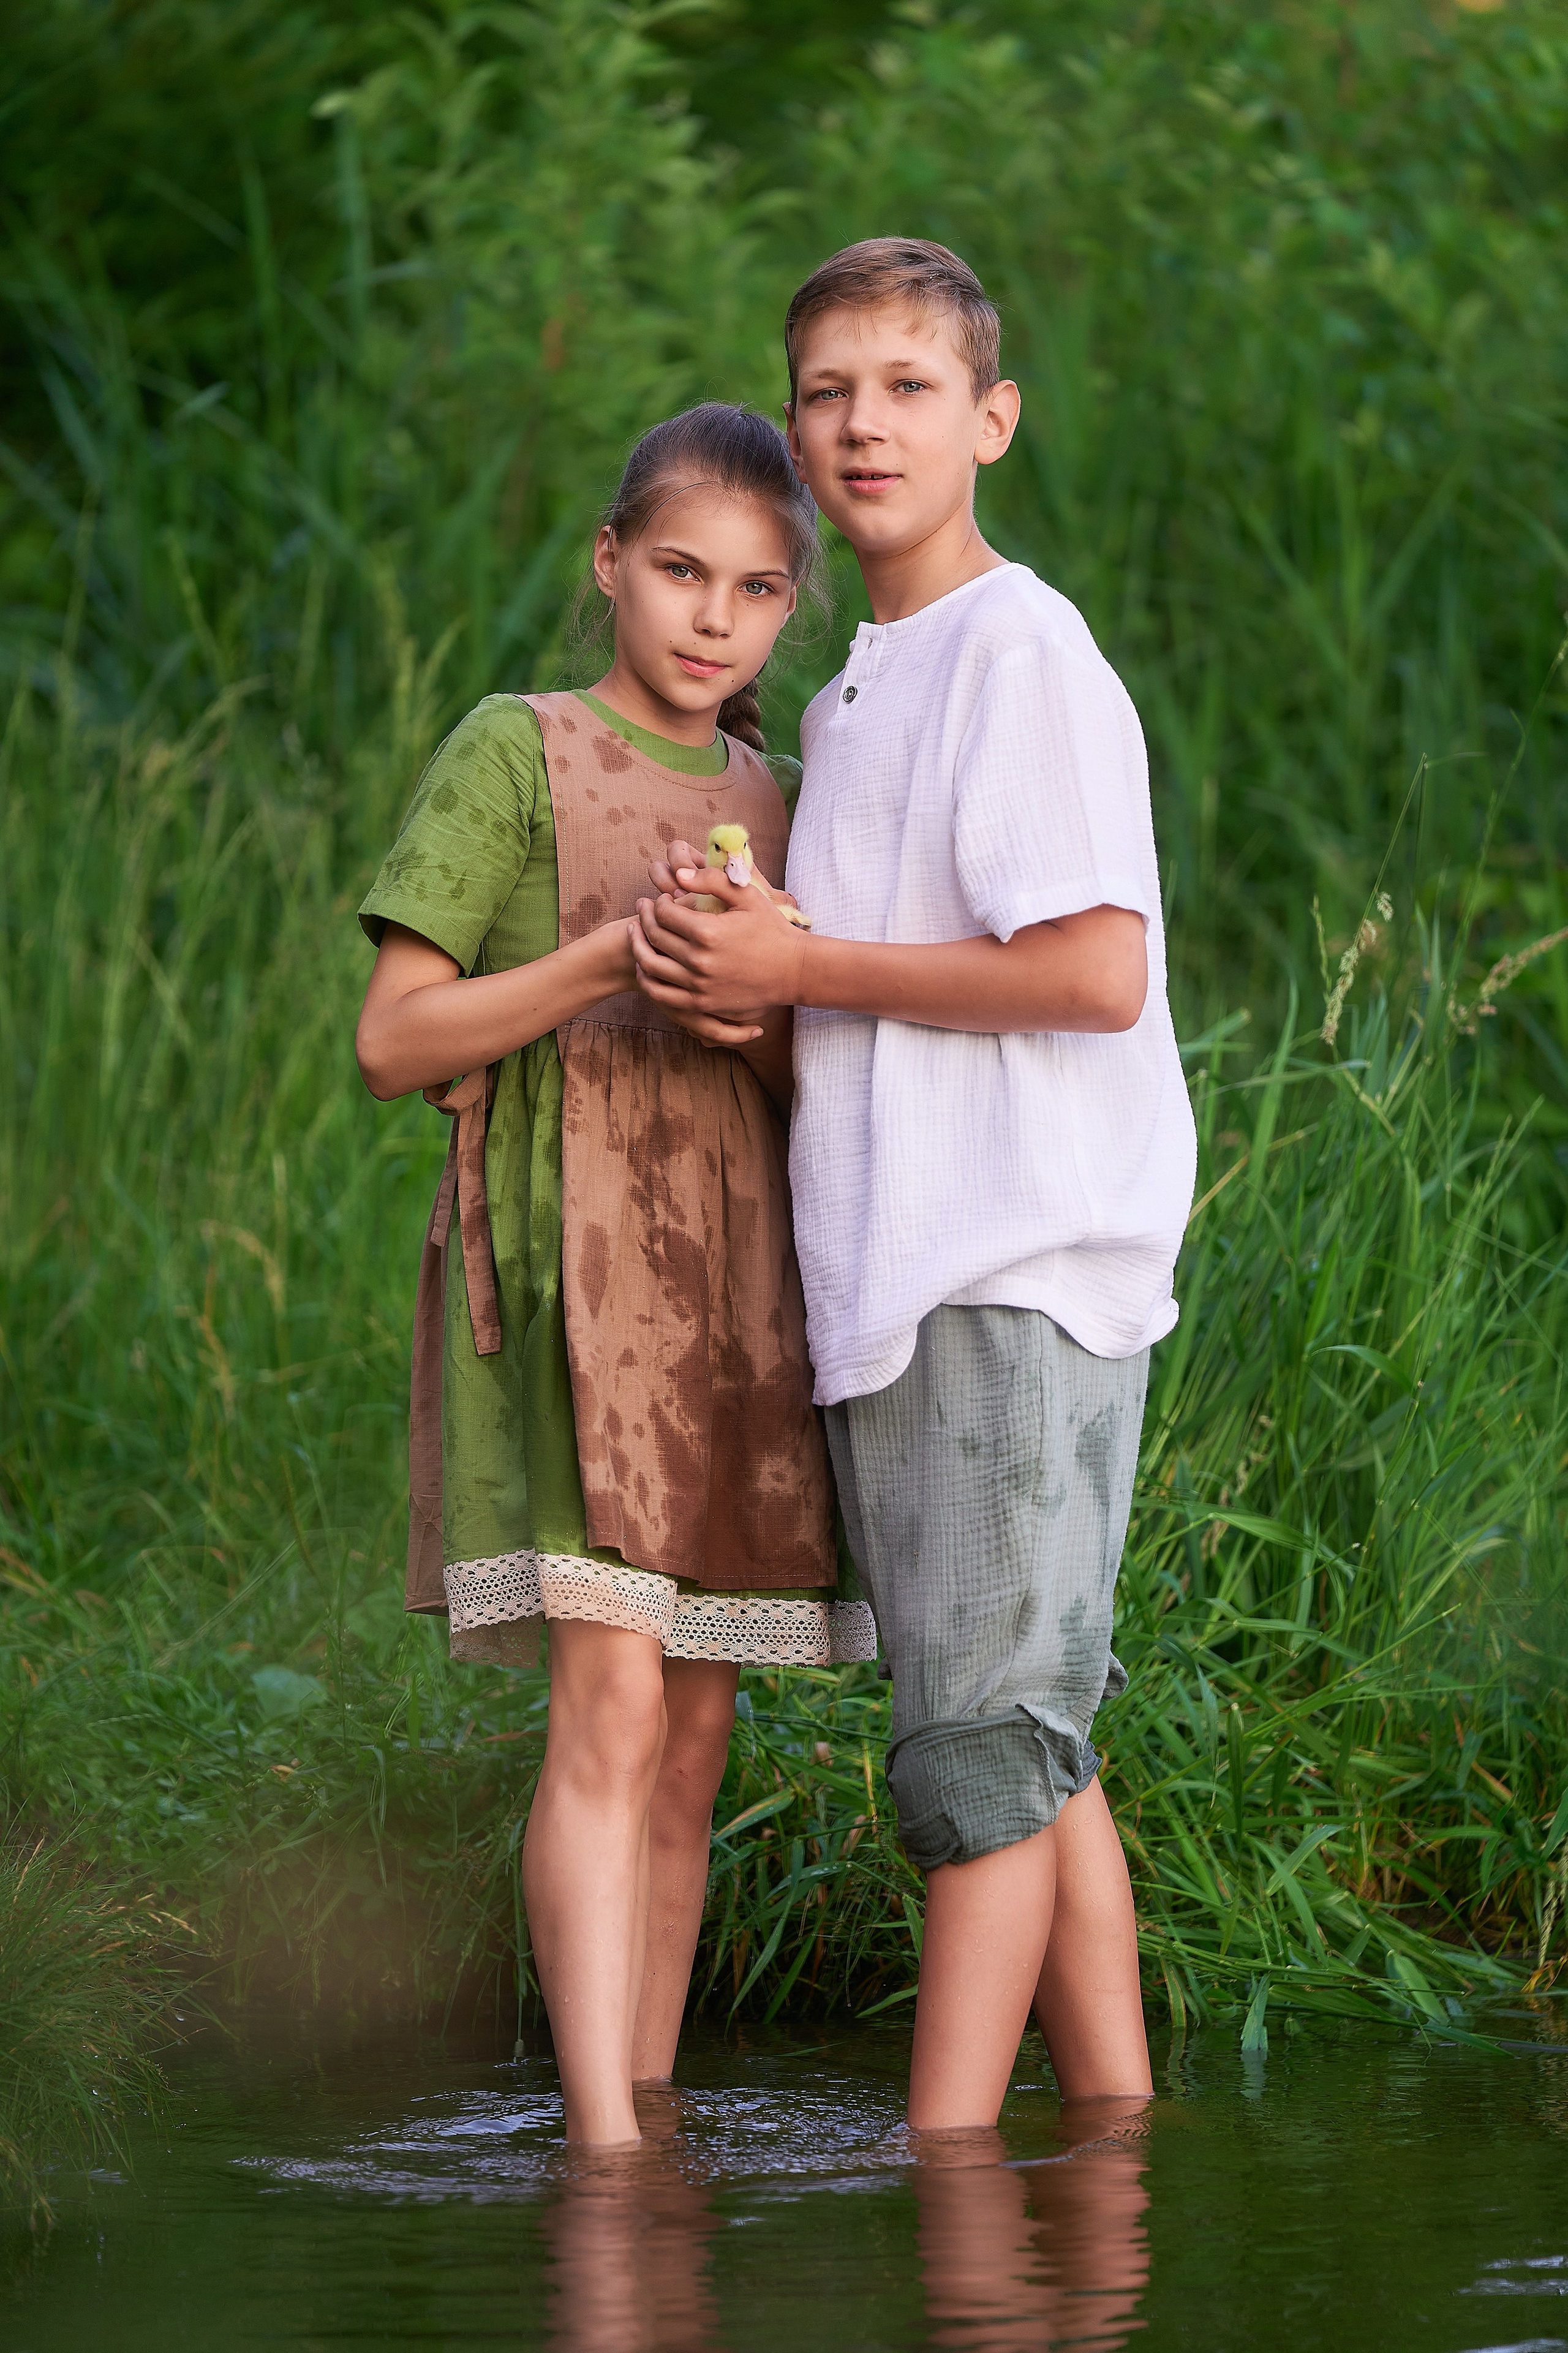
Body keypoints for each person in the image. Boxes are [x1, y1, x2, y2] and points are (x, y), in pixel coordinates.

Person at [631, 242, 1197, 2129]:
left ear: (991, 420)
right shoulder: (864, 692)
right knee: (1033, 1745)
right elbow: (870, 1007)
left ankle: (948, 2189)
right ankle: (1121, 2145)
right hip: (905, 1283)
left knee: (974, 1758)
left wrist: (799, 968)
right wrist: (746, 986)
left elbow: (1095, 969)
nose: (862, 422)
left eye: (906, 385)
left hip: (1007, 1267)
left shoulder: (1015, 649)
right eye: (825, 391)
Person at [353, 402, 873, 2147]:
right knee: (614, 1688)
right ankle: (601, 2140)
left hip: (739, 1302)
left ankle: (641, 2091)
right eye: (677, 571)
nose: (712, 618)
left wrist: (759, 1009)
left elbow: (822, 1080)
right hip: (570, 1284)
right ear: (608, 561)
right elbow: (393, 1036)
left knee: (702, 1717)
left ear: (791, 606)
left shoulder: (779, 796)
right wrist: (595, 960)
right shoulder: (521, 749)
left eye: (754, 588)